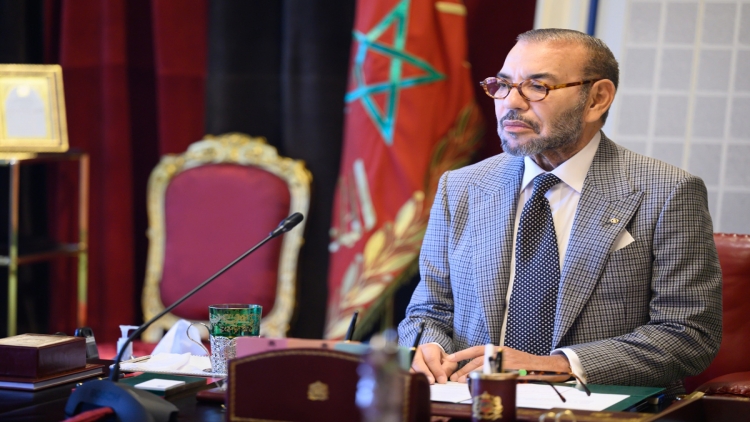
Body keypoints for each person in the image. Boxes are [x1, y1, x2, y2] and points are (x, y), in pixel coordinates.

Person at [397, 28, 722, 394]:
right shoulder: (460, 187)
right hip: (472, 401)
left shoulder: (668, 192)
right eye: (502, 85)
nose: (511, 102)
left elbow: (689, 334)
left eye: (537, 87)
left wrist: (560, 366)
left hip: (598, 405)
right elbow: (429, 310)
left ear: (596, 99)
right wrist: (429, 348)